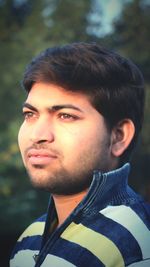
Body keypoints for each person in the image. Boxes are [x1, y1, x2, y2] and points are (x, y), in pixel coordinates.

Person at [10, 42, 150, 267]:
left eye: (65, 115)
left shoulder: (138, 244)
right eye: (30, 114)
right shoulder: (29, 239)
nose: (37, 135)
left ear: (119, 136)